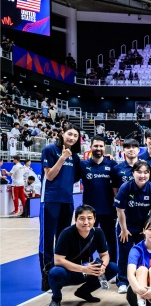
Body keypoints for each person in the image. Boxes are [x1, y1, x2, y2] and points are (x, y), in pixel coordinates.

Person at [47, 205, 118, 306]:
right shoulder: (66, 233)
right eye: (82, 218)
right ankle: (56, 298)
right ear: (75, 219)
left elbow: (105, 255)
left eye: (89, 218)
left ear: (94, 220)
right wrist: (83, 269)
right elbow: (58, 260)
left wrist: (103, 265)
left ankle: (83, 292)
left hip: (86, 271)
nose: (86, 222)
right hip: (69, 272)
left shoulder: (98, 233)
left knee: (112, 267)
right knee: (56, 272)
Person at [40, 123, 82, 286]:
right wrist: (63, 158)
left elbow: (76, 177)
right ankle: (46, 276)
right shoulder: (50, 150)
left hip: (67, 201)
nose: (72, 138)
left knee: (62, 239)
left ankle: (59, 275)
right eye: (70, 134)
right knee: (47, 239)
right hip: (50, 200)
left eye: (75, 136)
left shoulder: (75, 156)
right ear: (62, 133)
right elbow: (49, 176)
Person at [114, 160, 151, 294]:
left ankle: (141, 279)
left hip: (142, 227)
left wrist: (148, 229)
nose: (142, 175)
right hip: (126, 226)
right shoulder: (125, 187)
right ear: (133, 173)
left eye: (146, 172)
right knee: (125, 254)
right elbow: (120, 210)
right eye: (139, 172)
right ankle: (122, 281)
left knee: (143, 254)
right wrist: (123, 229)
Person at [80, 136, 118, 263]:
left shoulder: (112, 165)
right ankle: (86, 266)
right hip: (89, 212)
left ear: (104, 148)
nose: (98, 148)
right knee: (87, 240)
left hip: (108, 211)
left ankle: (112, 267)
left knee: (111, 240)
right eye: (95, 146)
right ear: (91, 147)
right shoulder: (83, 165)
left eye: (101, 146)